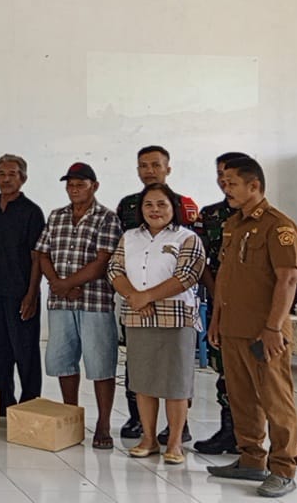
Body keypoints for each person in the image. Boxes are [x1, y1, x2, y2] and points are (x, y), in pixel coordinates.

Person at [206, 157, 297, 498]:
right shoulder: (233, 225)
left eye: (231, 183)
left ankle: (283, 469)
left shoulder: (278, 226)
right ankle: (251, 459)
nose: (225, 188)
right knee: (241, 398)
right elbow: (225, 277)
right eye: (223, 182)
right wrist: (216, 319)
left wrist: (273, 327)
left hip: (265, 332)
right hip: (233, 328)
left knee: (276, 401)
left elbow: (288, 279)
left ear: (254, 185)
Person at [107, 183, 206, 465]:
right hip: (138, 316)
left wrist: (146, 296)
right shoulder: (129, 237)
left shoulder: (187, 238)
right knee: (143, 381)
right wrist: (134, 297)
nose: (155, 210)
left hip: (176, 317)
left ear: (173, 208)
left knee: (176, 383)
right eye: (148, 204)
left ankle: (174, 443)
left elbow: (186, 275)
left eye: (162, 204)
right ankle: (148, 439)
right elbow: (114, 269)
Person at [36, 163, 123, 449]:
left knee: (100, 364)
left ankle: (103, 424)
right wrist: (57, 283)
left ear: (94, 186)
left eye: (80, 185)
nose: (74, 190)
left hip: (94, 303)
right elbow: (43, 254)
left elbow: (102, 262)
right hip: (61, 302)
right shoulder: (56, 216)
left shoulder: (107, 218)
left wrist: (68, 283)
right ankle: (71, 415)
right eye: (70, 185)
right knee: (63, 361)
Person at [0, 154, 45, 415]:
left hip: (21, 292)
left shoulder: (32, 212)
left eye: (12, 174)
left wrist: (32, 294)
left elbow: (37, 257)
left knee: (25, 350)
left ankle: (30, 404)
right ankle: (3, 403)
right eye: (1, 174)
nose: (6, 179)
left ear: (23, 178)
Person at [193, 151, 248, 455]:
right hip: (218, 302)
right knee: (225, 370)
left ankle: (250, 438)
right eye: (219, 175)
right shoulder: (210, 214)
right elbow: (201, 259)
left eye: (229, 175)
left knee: (251, 374)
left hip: (250, 306)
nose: (224, 181)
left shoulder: (261, 217)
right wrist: (217, 295)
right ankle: (229, 432)